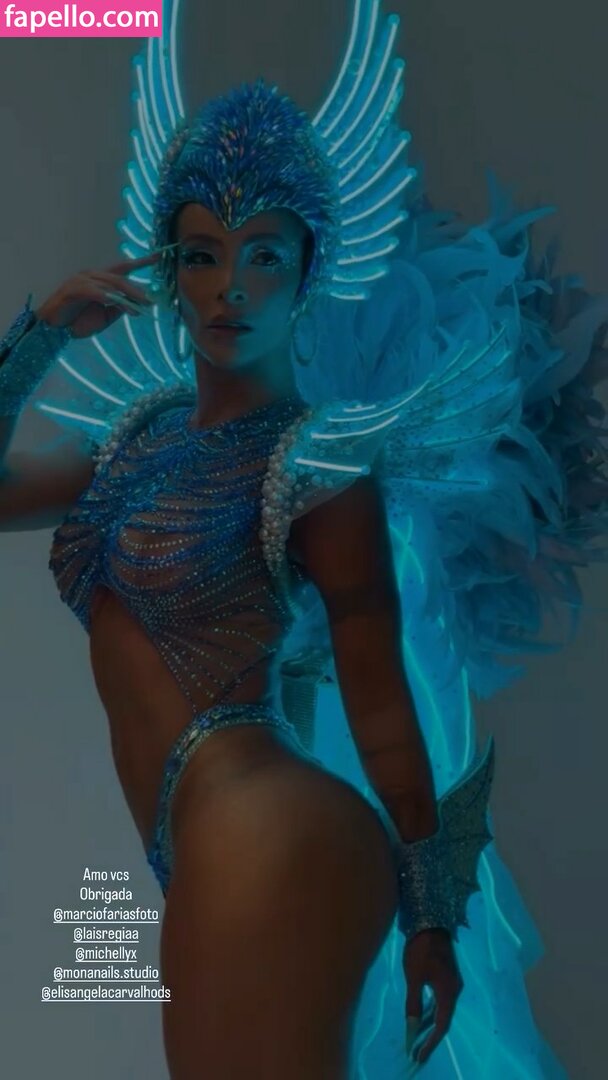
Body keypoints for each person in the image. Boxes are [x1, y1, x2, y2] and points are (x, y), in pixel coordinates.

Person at [0, 79, 499, 1078]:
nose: (230, 286)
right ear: (168, 271)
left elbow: (379, 700)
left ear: (308, 273)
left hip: (269, 833)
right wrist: (42, 331)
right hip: (210, 836)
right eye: (202, 255)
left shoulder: (318, 465)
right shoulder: (138, 434)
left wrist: (429, 917)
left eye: (264, 255)